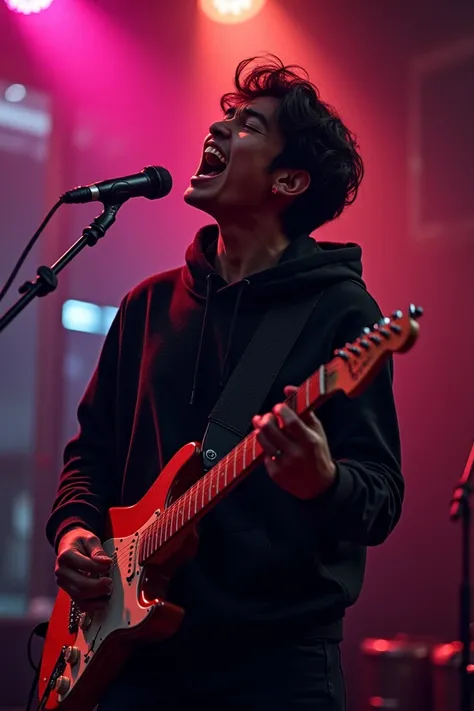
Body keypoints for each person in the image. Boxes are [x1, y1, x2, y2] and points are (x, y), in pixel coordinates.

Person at [46, 55, 403, 710]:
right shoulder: (145, 306)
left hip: (275, 667)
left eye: (246, 126)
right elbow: (89, 457)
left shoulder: (342, 311)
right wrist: (74, 532)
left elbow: (380, 497)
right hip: (136, 657)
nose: (217, 130)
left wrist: (323, 481)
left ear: (289, 179)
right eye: (224, 117)